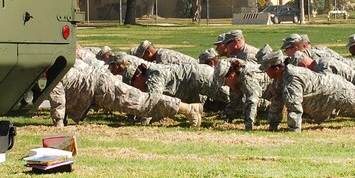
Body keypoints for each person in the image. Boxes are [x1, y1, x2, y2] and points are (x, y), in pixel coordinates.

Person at [48, 59, 203, 127]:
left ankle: (188, 109)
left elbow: (57, 97)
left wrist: (58, 123)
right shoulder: (57, 61)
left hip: (100, 88)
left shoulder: (49, 71)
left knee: (141, 103)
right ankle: (187, 108)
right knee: (141, 102)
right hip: (98, 85)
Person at [213, 58, 266, 130]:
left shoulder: (247, 77)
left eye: (224, 82)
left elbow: (252, 100)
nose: (225, 85)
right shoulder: (235, 79)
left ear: (231, 75)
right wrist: (227, 120)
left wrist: (248, 126)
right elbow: (235, 102)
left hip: (272, 88)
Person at [133, 39, 197, 65]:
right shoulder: (160, 54)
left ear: (148, 53)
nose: (144, 59)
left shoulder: (162, 58)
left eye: (143, 57)